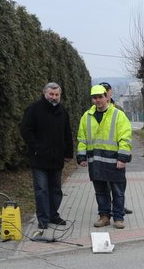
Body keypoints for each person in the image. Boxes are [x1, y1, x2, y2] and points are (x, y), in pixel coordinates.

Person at [20, 82, 74, 234]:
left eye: (57, 95)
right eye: (51, 94)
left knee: (56, 190)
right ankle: (43, 219)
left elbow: (67, 133)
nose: (54, 97)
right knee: (42, 190)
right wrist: (36, 147)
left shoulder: (62, 111)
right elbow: (25, 130)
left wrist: (69, 153)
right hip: (39, 159)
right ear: (44, 93)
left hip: (57, 158)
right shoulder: (34, 109)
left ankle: (53, 215)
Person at [77, 84, 132, 229]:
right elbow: (82, 138)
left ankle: (119, 218)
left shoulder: (118, 115)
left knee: (118, 192)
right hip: (96, 161)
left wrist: (122, 158)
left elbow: (125, 138)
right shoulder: (86, 116)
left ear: (106, 97)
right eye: (94, 98)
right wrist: (81, 157)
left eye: (100, 97)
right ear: (92, 99)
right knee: (100, 192)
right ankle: (104, 217)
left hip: (115, 161)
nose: (98, 100)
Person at [99, 81, 132, 215]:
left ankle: (119, 206)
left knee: (120, 183)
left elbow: (126, 130)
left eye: (107, 90)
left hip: (118, 153)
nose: (106, 93)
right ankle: (107, 208)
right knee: (104, 184)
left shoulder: (118, 109)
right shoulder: (95, 109)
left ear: (110, 92)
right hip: (102, 154)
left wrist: (125, 152)